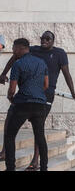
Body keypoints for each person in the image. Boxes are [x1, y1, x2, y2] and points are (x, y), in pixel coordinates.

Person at [0, 31, 75, 170]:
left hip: (42, 97)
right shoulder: (32, 51)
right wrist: (3, 73)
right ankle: (6, 152)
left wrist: (73, 92)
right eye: (42, 38)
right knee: (17, 125)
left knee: (37, 132)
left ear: (53, 40)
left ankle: (34, 161)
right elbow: (14, 58)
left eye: (47, 39)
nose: (44, 40)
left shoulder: (59, 53)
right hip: (37, 97)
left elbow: (66, 73)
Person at [4, 38, 49, 171]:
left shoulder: (18, 64)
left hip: (23, 103)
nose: (13, 52)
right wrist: (36, 93)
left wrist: (11, 98)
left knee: (10, 135)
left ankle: (10, 167)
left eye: (13, 49)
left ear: (19, 48)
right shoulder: (42, 63)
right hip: (40, 104)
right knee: (40, 137)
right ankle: (44, 168)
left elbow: (12, 89)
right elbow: (46, 85)